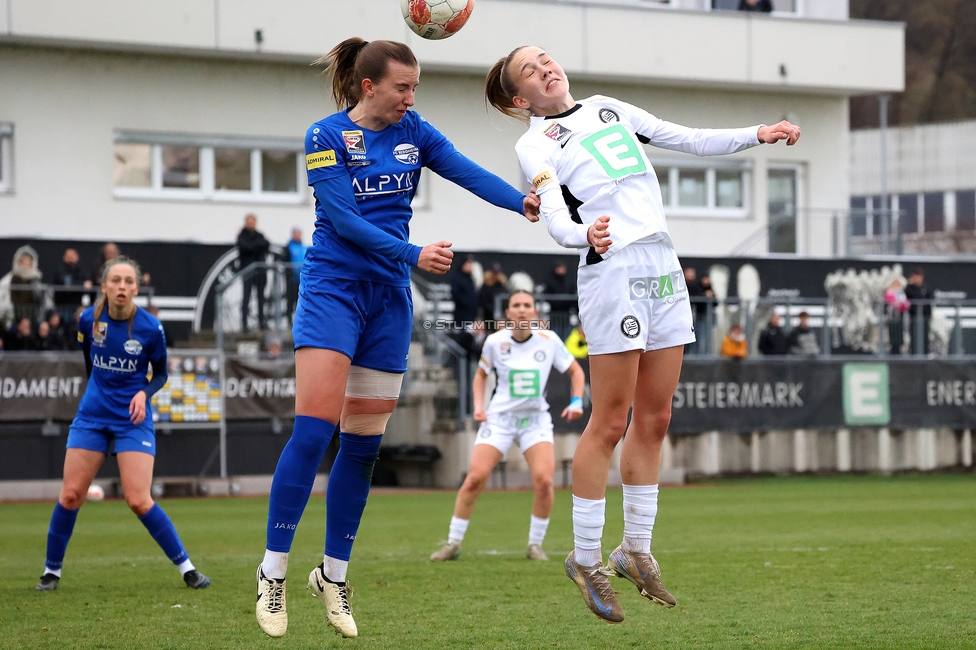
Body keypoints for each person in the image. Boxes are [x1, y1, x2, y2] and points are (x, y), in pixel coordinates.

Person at [486, 45, 800, 623]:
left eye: (546, 59)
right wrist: (587, 236)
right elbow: (554, 216)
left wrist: (761, 132)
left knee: (655, 419)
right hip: (613, 267)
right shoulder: (532, 145)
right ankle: (584, 560)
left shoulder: (607, 107)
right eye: (531, 70)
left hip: (662, 264)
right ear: (519, 98)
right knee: (609, 421)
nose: (547, 68)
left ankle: (635, 549)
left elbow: (689, 137)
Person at [254, 37, 539, 641]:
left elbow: (464, 170)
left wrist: (523, 204)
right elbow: (345, 220)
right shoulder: (325, 136)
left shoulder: (416, 130)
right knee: (313, 430)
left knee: (362, 448)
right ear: (368, 88)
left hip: (388, 304)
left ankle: (332, 577)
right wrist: (413, 252)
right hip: (334, 292)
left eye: (416, 88)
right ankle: (273, 572)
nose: (412, 98)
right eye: (403, 88)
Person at [35, 256, 210, 592]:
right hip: (93, 416)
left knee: (138, 499)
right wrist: (98, 396)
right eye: (115, 280)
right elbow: (90, 365)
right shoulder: (89, 320)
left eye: (129, 281)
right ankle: (51, 572)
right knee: (71, 494)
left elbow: (160, 374)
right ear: (104, 286)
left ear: (136, 288)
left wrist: (144, 393)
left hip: (133, 419)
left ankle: (188, 569)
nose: (122, 287)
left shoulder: (150, 328)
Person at [430, 291, 585, 563]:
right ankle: (452, 543)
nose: (522, 310)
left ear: (535, 313)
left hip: (535, 421)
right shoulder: (494, 341)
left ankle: (534, 545)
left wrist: (576, 401)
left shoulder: (549, 341)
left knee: (545, 482)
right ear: (508, 313)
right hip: (500, 420)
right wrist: (478, 406)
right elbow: (480, 376)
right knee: (475, 478)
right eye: (517, 305)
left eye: (528, 305)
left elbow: (576, 371)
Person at [237, 214, 271, 332]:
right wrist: (256, 248)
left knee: (261, 298)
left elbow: (266, 244)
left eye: (253, 222)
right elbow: (245, 247)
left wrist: (253, 247)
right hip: (247, 272)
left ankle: (262, 322)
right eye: (249, 221)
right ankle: (244, 323)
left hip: (260, 272)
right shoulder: (242, 235)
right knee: (246, 297)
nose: (251, 224)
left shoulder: (259, 235)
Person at [544, 261, 577, 339]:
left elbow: (572, 295)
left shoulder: (568, 281)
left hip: (566, 315)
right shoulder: (550, 281)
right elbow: (547, 296)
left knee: (567, 336)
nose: (562, 270)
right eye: (560, 268)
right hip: (554, 314)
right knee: (555, 335)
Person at [904, 268, 932, 355]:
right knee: (914, 336)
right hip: (913, 317)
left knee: (925, 337)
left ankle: (925, 354)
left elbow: (929, 300)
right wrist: (909, 285)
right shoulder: (909, 288)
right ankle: (913, 354)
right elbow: (905, 297)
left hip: (924, 318)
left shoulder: (926, 288)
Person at [283, 227, 308, 323]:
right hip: (291, 278)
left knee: (300, 301)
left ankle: (300, 321)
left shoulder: (303, 247)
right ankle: (289, 320)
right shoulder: (288, 247)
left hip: (301, 279)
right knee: (290, 299)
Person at [883, 278, 909, 355]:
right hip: (891, 318)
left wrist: (901, 305)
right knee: (892, 334)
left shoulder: (901, 293)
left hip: (900, 317)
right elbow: (888, 303)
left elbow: (905, 304)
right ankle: (893, 349)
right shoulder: (889, 293)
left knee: (899, 334)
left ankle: (898, 349)